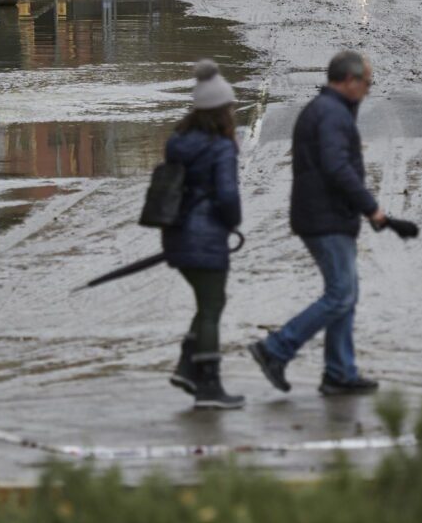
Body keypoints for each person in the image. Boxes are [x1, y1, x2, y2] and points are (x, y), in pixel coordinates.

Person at [249, 50, 387, 396]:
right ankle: (276, 348)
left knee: (346, 295)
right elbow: (337, 168)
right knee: (341, 293)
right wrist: (370, 208)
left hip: (327, 214)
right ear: (348, 80)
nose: (368, 90)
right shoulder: (329, 114)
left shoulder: (331, 110)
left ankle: (339, 373)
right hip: (324, 217)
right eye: (366, 83)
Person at [163, 60, 245, 410]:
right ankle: (208, 385)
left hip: (176, 235)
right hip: (206, 236)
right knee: (212, 306)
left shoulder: (179, 141)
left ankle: (187, 367)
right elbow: (227, 196)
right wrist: (232, 222)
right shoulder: (221, 147)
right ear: (221, 111)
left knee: (208, 303)